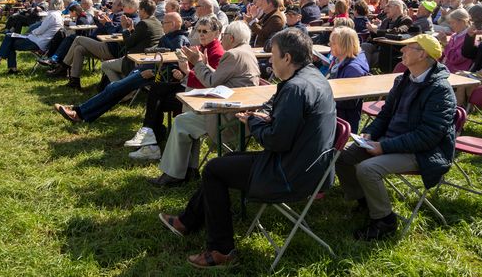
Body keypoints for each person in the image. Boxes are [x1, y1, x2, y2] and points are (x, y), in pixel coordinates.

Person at [157, 28, 336, 268]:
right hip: (308, 167)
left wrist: (252, 121)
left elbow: (275, 141)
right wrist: (266, 116)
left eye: (273, 54)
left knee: (213, 170)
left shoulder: (295, 87)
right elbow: (286, 122)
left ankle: (221, 250)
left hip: (289, 174)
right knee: (224, 164)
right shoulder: (313, 77)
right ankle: (187, 221)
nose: (270, 60)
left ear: (287, 58)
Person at [335, 34, 456, 240]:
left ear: (423, 54)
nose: (402, 51)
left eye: (408, 47)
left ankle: (384, 220)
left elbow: (427, 137)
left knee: (367, 169)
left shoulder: (440, 90)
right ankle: (365, 200)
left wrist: (384, 147)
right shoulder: (403, 80)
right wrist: (371, 132)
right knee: (342, 157)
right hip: (392, 142)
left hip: (423, 151)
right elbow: (386, 114)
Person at [148, 20, 260, 186]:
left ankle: (174, 175)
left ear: (231, 37)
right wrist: (205, 65)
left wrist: (199, 63)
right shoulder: (246, 51)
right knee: (187, 120)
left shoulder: (232, 54)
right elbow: (221, 78)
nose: (222, 40)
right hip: (240, 112)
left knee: (181, 121)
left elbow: (211, 81)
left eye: (224, 36)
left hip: (229, 118)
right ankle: (190, 170)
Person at [53, 12, 189, 125]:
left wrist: (153, 71)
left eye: (164, 22)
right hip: (145, 69)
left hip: (151, 74)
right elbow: (159, 51)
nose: (161, 24)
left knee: (114, 88)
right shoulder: (169, 37)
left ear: (172, 24)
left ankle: (79, 113)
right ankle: (81, 113)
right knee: (114, 88)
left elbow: (175, 63)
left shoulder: (179, 39)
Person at [127, 16, 225, 161]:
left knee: (156, 98)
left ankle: (151, 141)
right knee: (157, 92)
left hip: (201, 97)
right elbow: (195, 73)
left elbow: (209, 82)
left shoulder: (216, 52)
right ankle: (151, 140)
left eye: (205, 31)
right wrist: (181, 71)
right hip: (191, 89)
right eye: (199, 31)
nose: (201, 34)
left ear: (216, 33)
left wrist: (185, 73)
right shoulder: (203, 48)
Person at [60, 0, 140, 89]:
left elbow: (116, 34)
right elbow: (111, 30)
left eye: (124, 6)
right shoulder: (127, 17)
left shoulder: (129, 20)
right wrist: (101, 21)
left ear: (130, 8)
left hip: (113, 49)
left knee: (78, 39)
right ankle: (74, 81)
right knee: (79, 49)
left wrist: (108, 24)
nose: (122, 7)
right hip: (109, 45)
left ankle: (63, 66)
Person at [0, 0, 64, 73]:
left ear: (53, 4)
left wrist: (31, 32)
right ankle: (10, 68)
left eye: (49, 3)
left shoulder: (52, 15)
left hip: (37, 42)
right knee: (10, 40)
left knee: (9, 39)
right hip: (39, 41)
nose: (48, 4)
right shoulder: (58, 15)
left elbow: (40, 30)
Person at [100, 0, 163, 83]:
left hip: (136, 60)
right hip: (151, 60)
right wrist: (132, 29)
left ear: (143, 10)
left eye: (139, 10)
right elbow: (140, 38)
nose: (138, 12)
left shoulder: (143, 23)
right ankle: (125, 84)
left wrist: (125, 28)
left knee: (105, 65)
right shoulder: (157, 22)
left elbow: (128, 44)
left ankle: (119, 90)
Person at [327, 27, 370, 132]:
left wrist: (323, 100)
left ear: (344, 45)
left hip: (342, 118)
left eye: (333, 43)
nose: (329, 45)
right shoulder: (339, 58)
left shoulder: (353, 69)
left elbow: (349, 102)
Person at [437, 8, 474, 73]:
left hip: (456, 72)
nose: (451, 26)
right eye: (450, 23)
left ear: (462, 22)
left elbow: (455, 59)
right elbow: (445, 54)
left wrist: (445, 44)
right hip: (445, 68)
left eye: (453, 23)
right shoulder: (454, 35)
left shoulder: (469, 39)